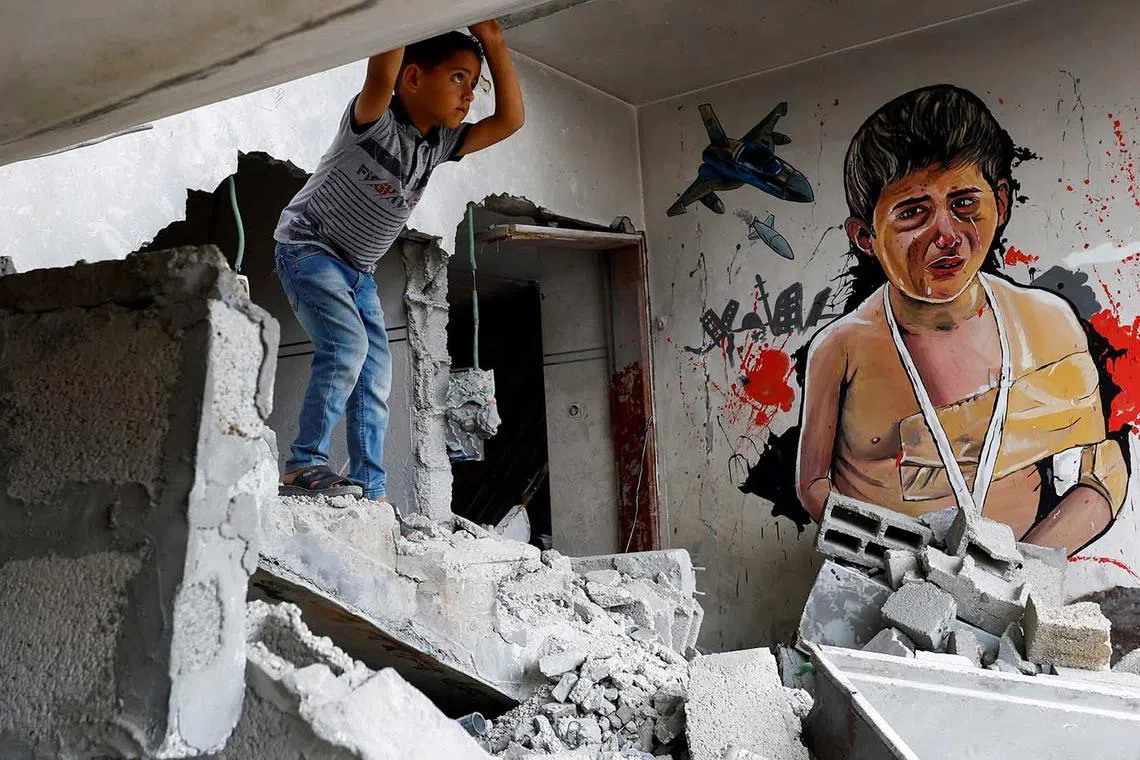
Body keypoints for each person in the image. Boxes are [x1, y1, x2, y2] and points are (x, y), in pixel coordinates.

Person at [796, 84, 1125, 554]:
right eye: (913, 213)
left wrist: (1017, 568)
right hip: (879, 597)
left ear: (1002, 203)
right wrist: (908, 564)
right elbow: (812, 487)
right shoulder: (841, 348)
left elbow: (1102, 473)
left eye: (965, 203)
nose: (946, 235)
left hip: (1018, 588)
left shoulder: (1048, 325)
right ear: (865, 236)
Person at [272, 21, 524, 501]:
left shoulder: (439, 146)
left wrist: (493, 42)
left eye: (474, 83)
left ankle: (369, 485)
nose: (469, 95)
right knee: (346, 348)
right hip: (309, 246)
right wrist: (409, 14)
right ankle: (303, 465)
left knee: (374, 373)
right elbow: (381, 71)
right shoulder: (372, 119)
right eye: (456, 78)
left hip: (358, 270)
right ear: (412, 78)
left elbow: (509, 120)